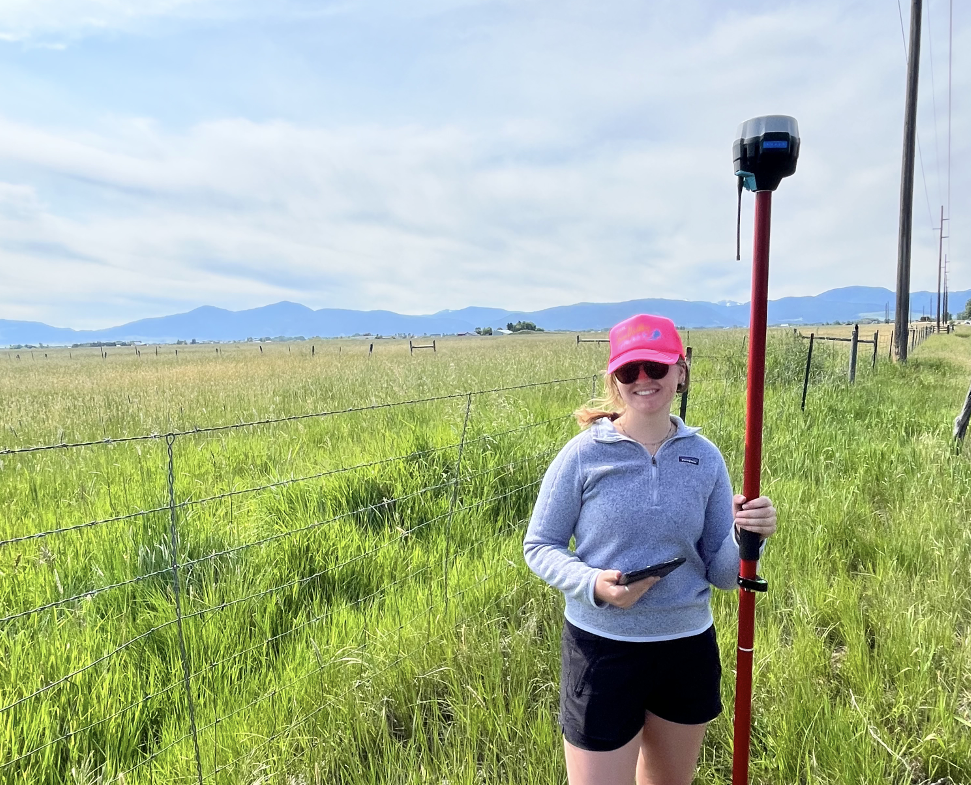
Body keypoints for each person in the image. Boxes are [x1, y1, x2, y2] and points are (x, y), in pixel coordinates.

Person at [523, 313, 777, 785]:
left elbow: (723, 573)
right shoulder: (582, 455)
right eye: (629, 370)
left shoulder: (704, 457)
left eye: (656, 368)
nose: (644, 380)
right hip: (602, 651)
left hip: (686, 649)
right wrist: (591, 583)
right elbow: (540, 545)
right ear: (615, 380)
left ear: (680, 372)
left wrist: (749, 540)